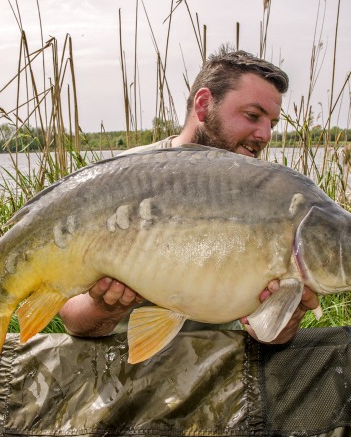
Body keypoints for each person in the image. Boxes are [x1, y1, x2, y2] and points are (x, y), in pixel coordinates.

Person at [59, 46, 320, 344]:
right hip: (119, 367)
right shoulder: (122, 180)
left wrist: (289, 313)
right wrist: (104, 306)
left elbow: (268, 339)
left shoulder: (266, 198)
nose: (265, 135)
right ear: (204, 104)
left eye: (271, 124)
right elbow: (74, 321)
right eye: (252, 115)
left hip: (216, 368)